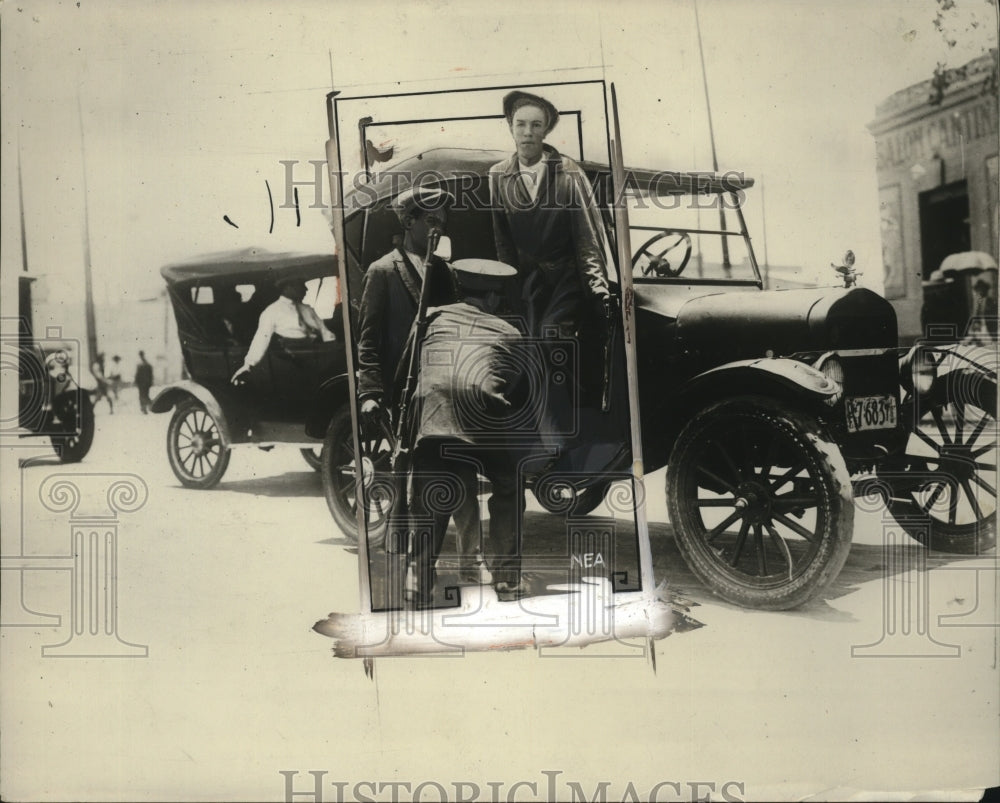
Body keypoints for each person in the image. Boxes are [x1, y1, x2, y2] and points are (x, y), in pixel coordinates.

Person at [358, 186, 488, 584]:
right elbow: (368, 338)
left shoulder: (445, 272)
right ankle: (417, 566)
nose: (437, 229)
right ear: (408, 222)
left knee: (463, 472)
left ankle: (470, 561)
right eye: (429, 221)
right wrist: (370, 393)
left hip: (444, 389)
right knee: (415, 483)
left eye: (441, 222)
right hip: (405, 394)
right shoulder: (382, 271)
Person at [400, 260, 530, 606]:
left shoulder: (428, 319)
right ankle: (506, 580)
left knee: (433, 497)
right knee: (508, 487)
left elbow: (406, 372)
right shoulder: (510, 333)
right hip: (482, 424)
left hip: (433, 420)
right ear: (491, 296)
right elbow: (516, 392)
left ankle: (417, 579)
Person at [489, 90, 612, 443]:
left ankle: (566, 439)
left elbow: (587, 237)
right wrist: (506, 293)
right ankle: (536, 441)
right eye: (521, 125)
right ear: (511, 128)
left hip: (566, 279)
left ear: (545, 132)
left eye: (535, 125)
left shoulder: (568, 172)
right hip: (526, 283)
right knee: (521, 353)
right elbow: (502, 243)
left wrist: (598, 289)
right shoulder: (497, 175)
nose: (527, 132)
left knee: (550, 342)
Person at [230, 277, 335, 384]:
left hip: (316, 355)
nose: (306, 289)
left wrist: (332, 351)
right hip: (290, 359)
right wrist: (248, 364)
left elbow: (325, 331)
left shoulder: (307, 309)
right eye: (300, 285)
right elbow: (261, 338)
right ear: (287, 288)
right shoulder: (272, 311)